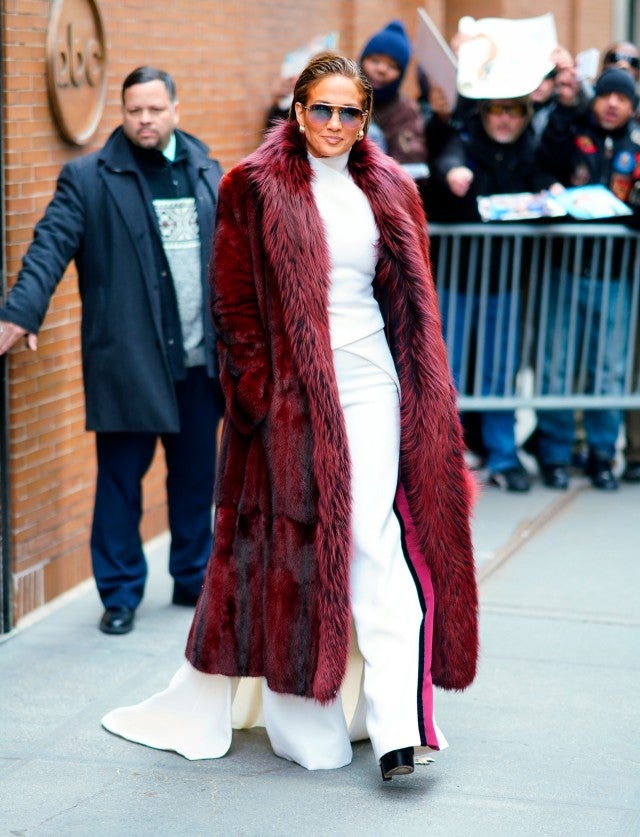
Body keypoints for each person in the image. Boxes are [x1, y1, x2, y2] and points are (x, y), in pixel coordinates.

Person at [101, 53, 478, 782]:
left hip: (374, 385)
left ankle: (400, 725)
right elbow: (233, 305)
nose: (334, 124)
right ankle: (308, 722)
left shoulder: (392, 188)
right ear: (298, 110)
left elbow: (410, 302)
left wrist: (421, 391)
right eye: (322, 109)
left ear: (365, 119)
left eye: (349, 112)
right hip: (292, 401)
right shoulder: (252, 185)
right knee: (298, 557)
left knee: (373, 538)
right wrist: (258, 395)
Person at [0, 67, 224, 634]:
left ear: (175, 106)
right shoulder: (89, 179)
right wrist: (20, 310)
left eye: (154, 109)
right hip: (129, 361)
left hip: (202, 362)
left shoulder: (207, 171)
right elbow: (49, 244)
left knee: (196, 481)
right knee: (121, 482)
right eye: (134, 111)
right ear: (122, 113)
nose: (144, 120)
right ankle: (120, 594)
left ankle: (192, 581)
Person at [431, 95, 556, 492]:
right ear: (484, 113)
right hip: (457, 279)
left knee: (500, 371)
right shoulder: (464, 140)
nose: (505, 119)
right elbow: (445, 157)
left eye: (514, 111)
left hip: (504, 283)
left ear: (525, 116)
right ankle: (438, 458)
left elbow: (547, 181)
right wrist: (452, 174)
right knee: (446, 372)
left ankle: (503, 455)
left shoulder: (532, 150)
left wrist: (553, 192)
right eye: (498, 110)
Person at [533, 67, 640, 490]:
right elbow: (541, 170)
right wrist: (556, 192)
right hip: (566, 269)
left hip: (616, 275)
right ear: (594, 99)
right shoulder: (572, 133)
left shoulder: (636, 145)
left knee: (609, 369)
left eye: (623, 98)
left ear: (633, 106)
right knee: (557, 365)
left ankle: (602, 453)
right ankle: (556, 452)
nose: (612, 104)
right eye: (606, 96)